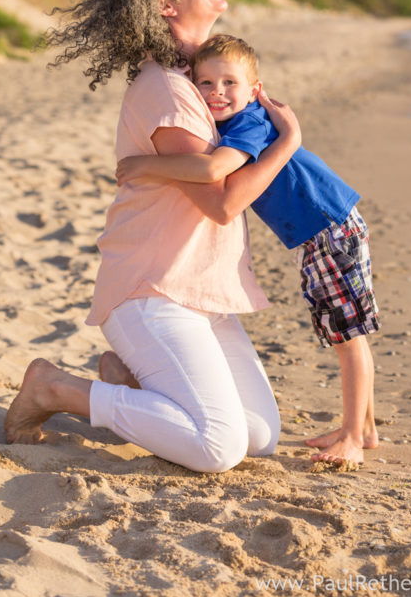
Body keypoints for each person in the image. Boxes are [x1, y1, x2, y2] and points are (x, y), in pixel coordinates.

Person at [5, 0, 302, 473]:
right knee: (218, 446)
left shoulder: (202, 83)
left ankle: (136, 381)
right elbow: (220, 203)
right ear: (166, 5)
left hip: (200, 293)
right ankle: (55, 388)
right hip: (152, 292)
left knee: (259, 436)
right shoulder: (167, 89)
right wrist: (287, 143)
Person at [115, 34, 381, 466]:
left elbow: (216, 168)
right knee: (343, 331)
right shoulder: (233, 122)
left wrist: (146, 163)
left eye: (228, 83)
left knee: (348, 337)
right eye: (205, 83)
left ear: (255, 90)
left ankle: (354, 435)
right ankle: (363, 426)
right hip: (317, 229)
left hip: (328, 227)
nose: (216, 93)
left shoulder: (250, 123)